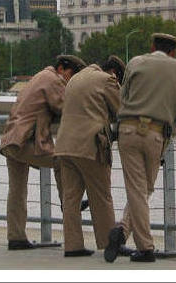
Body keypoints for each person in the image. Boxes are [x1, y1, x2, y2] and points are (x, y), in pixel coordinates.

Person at [105, 33, 176, 264]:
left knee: (137, 190)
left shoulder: (135, 62)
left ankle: (122, 232)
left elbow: (123, 97)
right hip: (156, 134)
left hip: (128, 131)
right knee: (145, 189)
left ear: (152, 47)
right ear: (173, 52)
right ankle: (145, 247)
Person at [0, 54, 87, 250]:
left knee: (17, 190)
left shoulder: (38, 77)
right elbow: (66, 107)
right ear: (63, 69)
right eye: (72, 76)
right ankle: (70, 203)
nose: (70, 81)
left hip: (11, 139)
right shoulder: (52, 79)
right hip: (25, 141)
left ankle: (16, 237)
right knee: (62, 161)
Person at [54, 55, 124, 257]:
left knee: (70, 198)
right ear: (114, 74)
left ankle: (73, 246)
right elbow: (121, 109)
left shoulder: (76, 78)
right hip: (90, 146)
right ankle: (109, 244)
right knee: (101, 195)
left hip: (64, 145)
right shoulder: (106, 80)